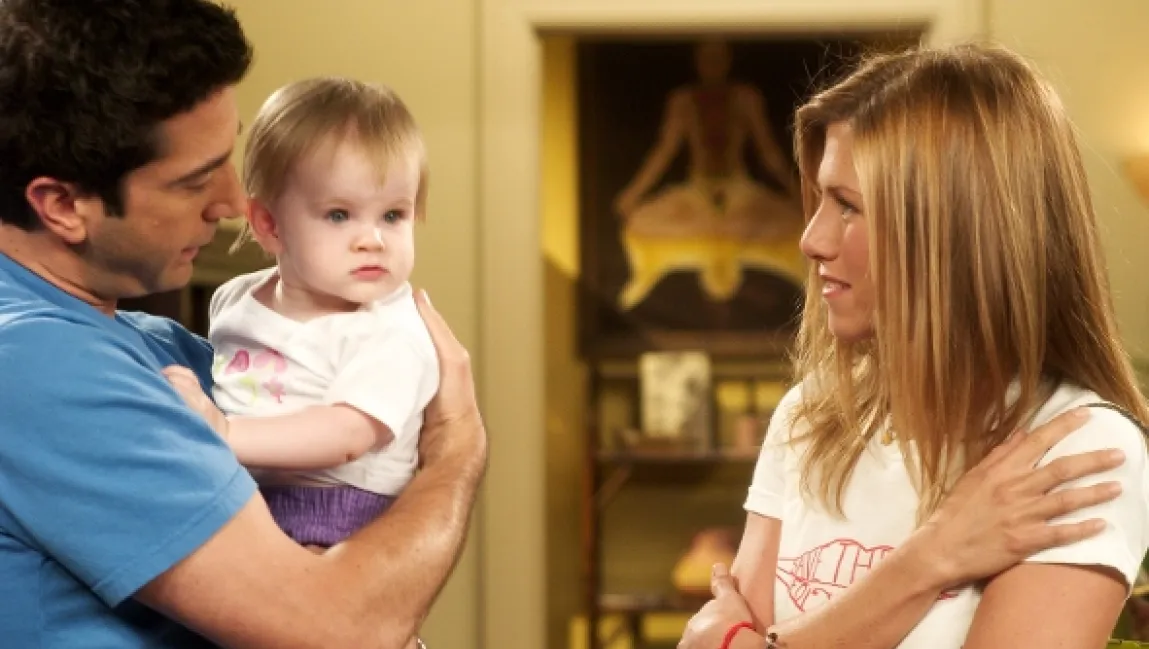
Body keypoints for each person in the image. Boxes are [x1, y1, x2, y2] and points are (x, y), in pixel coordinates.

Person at [0, 1, 485, 648]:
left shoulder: (168, 349)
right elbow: (341, 628)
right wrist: (455, 452)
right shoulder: (34, 364)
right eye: (194, 180)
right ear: (62, 204)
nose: (232, 203)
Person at [678, 44, 1149, 649]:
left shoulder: (1074, 448)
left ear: (957, 230)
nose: (811, 239)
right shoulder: (811, 415)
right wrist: (931, 557)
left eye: (848, 206)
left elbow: (733, 639)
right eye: (820, 200)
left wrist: (738, 642)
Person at [162, 77, 439, 552]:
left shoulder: (391, 331)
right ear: (269, 224)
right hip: (244, 493)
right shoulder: (236, 298)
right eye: (339, 215)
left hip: (337, 511)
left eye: (393, 215)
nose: (372, 240)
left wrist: (225, 432)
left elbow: (348, 434)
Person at [611, 38, 808, 310]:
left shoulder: (745, 98)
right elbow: (664, 152)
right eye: (707, 58)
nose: (712, 65)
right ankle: (646, 276)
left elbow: (768, 151)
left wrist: (796, 192)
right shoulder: (682, 101)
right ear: (697, 62)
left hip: (740, 192)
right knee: (639, 221)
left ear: (728, 61)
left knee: (793, 221)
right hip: (697, 193)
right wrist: (633, 194)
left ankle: (803, 283)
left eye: (718, 58)